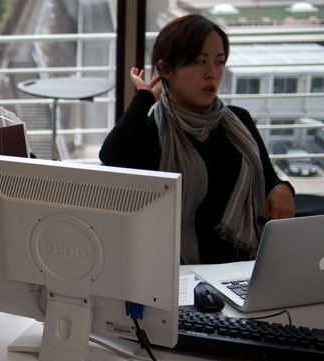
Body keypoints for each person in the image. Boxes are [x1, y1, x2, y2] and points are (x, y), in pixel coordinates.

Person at [99, 14, 295, 264]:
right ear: (167, 69)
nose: (212, 74)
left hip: (244, 266)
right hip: (181, 273)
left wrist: (282, 187)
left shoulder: (238, 121)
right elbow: (111, 156)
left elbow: (268, 178)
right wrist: (144, 97)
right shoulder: (151, 133)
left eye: (220, 62)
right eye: (200, 62)